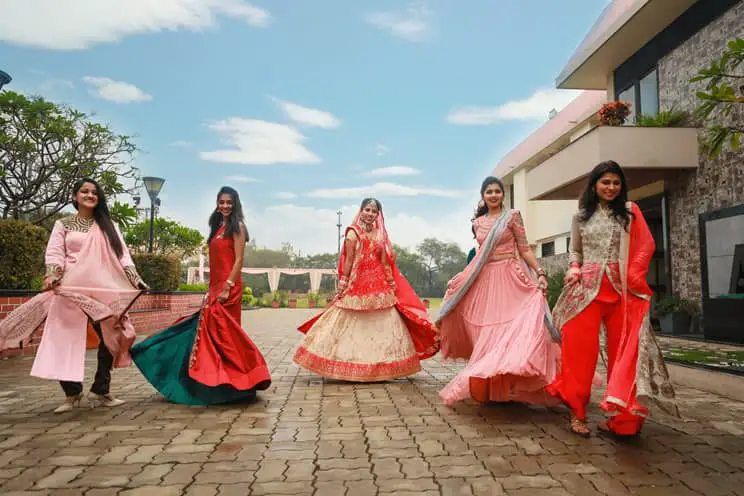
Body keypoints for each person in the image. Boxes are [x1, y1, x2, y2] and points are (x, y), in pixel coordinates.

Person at [547, 161, 678, 437]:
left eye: (616, 183)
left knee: (625, 355)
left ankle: (623, 419)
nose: (611, 187)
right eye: (606, 182)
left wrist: (633, 275)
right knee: (580, 355)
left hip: (622, 293)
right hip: (586, 291)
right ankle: (577, 412)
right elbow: (576, 252)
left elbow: (647, 245)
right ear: (594, 184)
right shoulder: (581, 216)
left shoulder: (630, 213)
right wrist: (573, 268)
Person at [0, 178, 147, 413]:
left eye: (94, 192)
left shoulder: (110, 225)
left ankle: (101, 389)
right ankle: (72, 392)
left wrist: (135, 278)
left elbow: (123, 256)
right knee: (63, 339)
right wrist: (52, 274)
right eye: (84, 191)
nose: (90, 195)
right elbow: (55, 253)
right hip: (70, 288)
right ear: (75, 196)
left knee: (114, 336)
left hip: (102, 289)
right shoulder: (64, 224)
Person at [131, 186, 271, 405]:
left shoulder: (238, 227)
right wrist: (211, 288)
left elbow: (238, 260)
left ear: (235, 204)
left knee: (225, 336)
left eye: (229, 202)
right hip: (215, 287)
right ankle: (214, 382)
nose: (225, 206)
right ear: (217, 204)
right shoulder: (216, 228)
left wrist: (227, 286)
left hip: (229, 288)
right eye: (221, 202)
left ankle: (240, 381)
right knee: (209, 335)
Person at [436, 176, 561, 406]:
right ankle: (492, 387)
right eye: (489, 192)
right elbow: (480, 256)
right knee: (488, 333)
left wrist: (540, 272)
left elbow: (524, 248)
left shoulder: (512, 217)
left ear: (503, 194)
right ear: (483, 196)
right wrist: (461, 278)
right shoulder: (478, 223)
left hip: (511, 276)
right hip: (486, 280)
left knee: (512, 328)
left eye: (497, 191)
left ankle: (512, 383)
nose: (493, 195)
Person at [294, 198, 439, 382]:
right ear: (361, 211)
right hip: (357, 282)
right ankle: (346, 364)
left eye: (374, 211)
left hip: (380, 286)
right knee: (346, 320)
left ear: (378, 215)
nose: (370, 214)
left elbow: (385, 260)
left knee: (385, 323)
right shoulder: (352, 233)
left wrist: (390, 281)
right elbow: (348, 259)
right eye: (368, 210)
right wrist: (343, 283)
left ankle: (382, 367)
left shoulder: (380, 235)